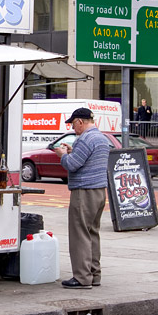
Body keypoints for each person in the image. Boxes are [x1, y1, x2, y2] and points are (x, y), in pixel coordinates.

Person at [54, 108, 110, 289]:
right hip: (99, 191)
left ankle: (82, 277)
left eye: (73, 124)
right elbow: (86, 159)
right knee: (92, 232)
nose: (72, 127)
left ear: (80, 121)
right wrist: (73, 151)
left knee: (79, 234)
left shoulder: (84, 139)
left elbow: (72, 165)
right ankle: (94, 274)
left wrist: (63, 155)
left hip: (84, 192)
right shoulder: (102, 138)